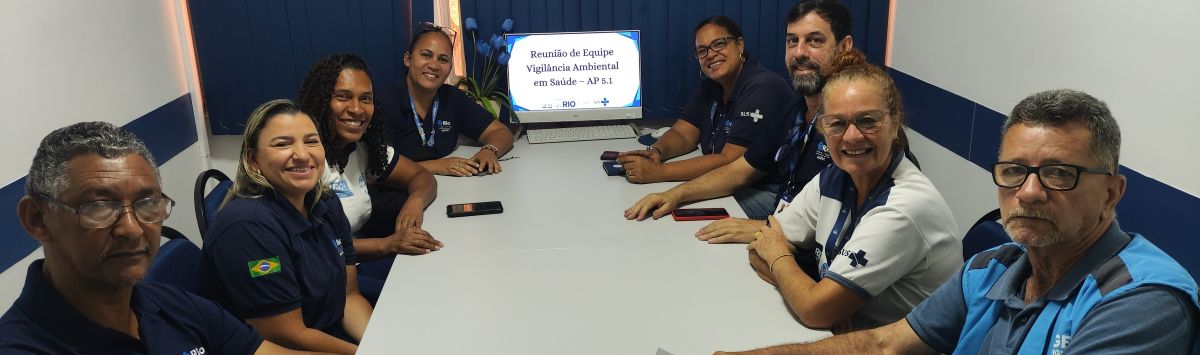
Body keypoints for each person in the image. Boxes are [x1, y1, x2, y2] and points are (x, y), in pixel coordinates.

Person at [717, 90, 1200, 354]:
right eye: (1013, 171)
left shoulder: (1141, 302)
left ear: (1111, 194)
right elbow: (882, 345)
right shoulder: (991, 268)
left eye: (1059, 174)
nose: (1029, 192)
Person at [1, 122, 300, 354]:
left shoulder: (173, 305)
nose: (132, 229)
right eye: (100, 206)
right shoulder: (22, 346)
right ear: (37, 219)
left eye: (147, 203)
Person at [747, 49, 961, 331]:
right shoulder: (835, 176)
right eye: (837, 123)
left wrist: (787, 267)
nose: (851, 137)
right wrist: (814, 296)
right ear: (822, 128)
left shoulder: (905, 206)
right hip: (848, 336)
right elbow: (759, 248)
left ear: (895, 123)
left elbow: (814, 310)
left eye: (868, 120)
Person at [626, 0, 848, 226]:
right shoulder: (795, 109)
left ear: (844, 47)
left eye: (814, 40)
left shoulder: (850, 118)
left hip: (781, 213)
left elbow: (848, 221)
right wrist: (673, 194)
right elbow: (738, 170)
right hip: (785, 211)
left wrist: (766, 229)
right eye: (792, 41)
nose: (800, 52)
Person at [203, 100, 372, 354]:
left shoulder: (325, 202)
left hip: (329, 337)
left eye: (311, 141)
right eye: (283, 144)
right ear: (253, 159)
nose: (302, 155)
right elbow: (286, 336)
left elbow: (348, 297)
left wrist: (378, 343)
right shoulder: (248, 228)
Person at [616, 15, 794, 192]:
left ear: (740, 45)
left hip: (764, 191)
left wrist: (659, 172)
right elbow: (683, 133)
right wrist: (657, 151)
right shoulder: (712, 86)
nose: (710, 55)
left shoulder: (763, 88)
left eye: (719, 44)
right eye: (702, 51)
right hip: (725, 183)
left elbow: (731, 160)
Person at [297, 53, 442, 258]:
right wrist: (386, 244)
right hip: (328, 268)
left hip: (357, 261)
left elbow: (422, 177)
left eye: (365, 98)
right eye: (343, 97)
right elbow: (312, 244)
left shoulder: (363, 149)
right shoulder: (303, 160)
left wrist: (414, 203)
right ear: (321, 101)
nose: (357, 109)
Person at [390, 21, 514, 176]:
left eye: (443, 59)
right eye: (426, 55)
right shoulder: (386, 102)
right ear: (407, 59)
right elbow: (376, 168)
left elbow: (501, 132)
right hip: (401, 187)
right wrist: (435, 166)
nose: (434, 65)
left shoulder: (452, 97)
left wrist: (489, 150)